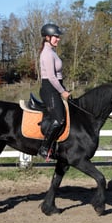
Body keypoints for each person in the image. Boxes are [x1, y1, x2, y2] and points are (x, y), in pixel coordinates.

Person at [38, 23, 70, 159]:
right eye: (56, 37)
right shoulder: (47, 53)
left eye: (58, 36)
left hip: (55, 87)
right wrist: (62, 91)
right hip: (49, 89)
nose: (58, 39)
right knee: (59, 119)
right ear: (47, 37)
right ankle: (44, 148)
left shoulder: (52, 52)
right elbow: (51, 76)